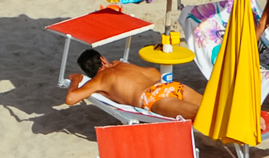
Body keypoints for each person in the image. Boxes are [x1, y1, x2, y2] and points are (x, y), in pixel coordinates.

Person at [64, 48, 204, 120]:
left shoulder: (98, 80)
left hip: (152, 98)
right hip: (168, 86)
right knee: (211, 108)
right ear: (103, 59)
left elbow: (71, 99)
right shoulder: (121, 64)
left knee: (202, 116)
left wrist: (76, 79)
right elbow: (155, 74)